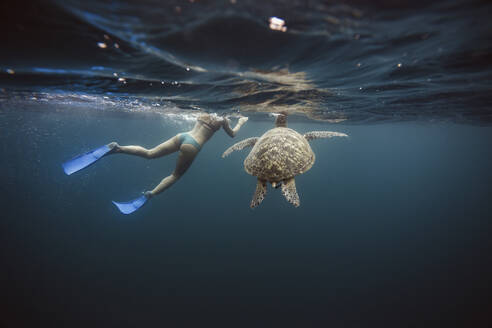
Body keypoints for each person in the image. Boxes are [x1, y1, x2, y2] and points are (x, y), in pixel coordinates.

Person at [62, 113, 248, 214]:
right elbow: (233, 134)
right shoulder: (223, 120)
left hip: (183, 135)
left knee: (150, 153)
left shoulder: (204, 112)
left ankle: (117, 148)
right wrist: (240, 122)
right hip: (193, 145)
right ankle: (150, 194)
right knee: (176, 175)